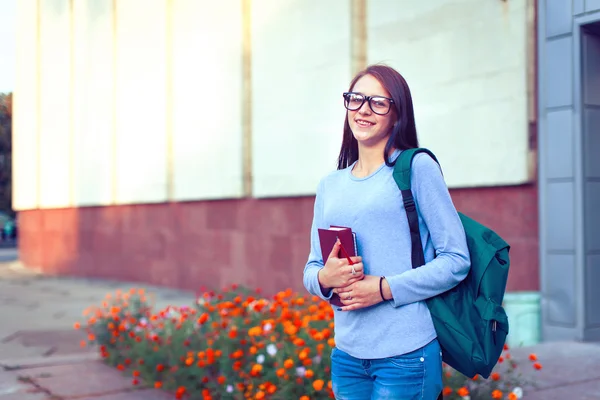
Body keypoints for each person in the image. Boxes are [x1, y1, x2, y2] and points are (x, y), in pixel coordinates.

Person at [302, 64, 471, 400]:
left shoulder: (416, 168)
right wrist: (325, 278)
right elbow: (311, 269)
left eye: (378, 102)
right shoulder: (330, 185)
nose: (364, 110)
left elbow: (456, 260)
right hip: (348, 355)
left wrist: (383, 288)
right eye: (356, 99)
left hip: (406, 352)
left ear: (397, 114)